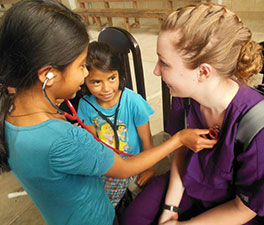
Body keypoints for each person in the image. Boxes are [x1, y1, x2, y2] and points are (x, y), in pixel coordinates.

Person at [0, 1, 217, 225]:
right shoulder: (66, 140)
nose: (85, 75)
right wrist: (180, 138)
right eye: (81, 66)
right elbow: (124, 168)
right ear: (47, 75)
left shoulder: (11, 111)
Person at [121, 3, 264, 225]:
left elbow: (246, 208)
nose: (156, 71)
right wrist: (170, 208)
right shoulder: (185, 97)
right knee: (133, 219)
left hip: (233, 207)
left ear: (203, 71)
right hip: (193, 182)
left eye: (164, 63)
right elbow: (182, 150)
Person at [77, 41, 155, 208]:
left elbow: (146, 138)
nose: (106, 88)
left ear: (120, 74)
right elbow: (93, 143)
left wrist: (149, 168)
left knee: (104, 204)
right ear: (84, 81)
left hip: (132, 162)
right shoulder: (85, 105)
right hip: (106, 163)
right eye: (96, 82)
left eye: (112, 78)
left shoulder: (133, 102)